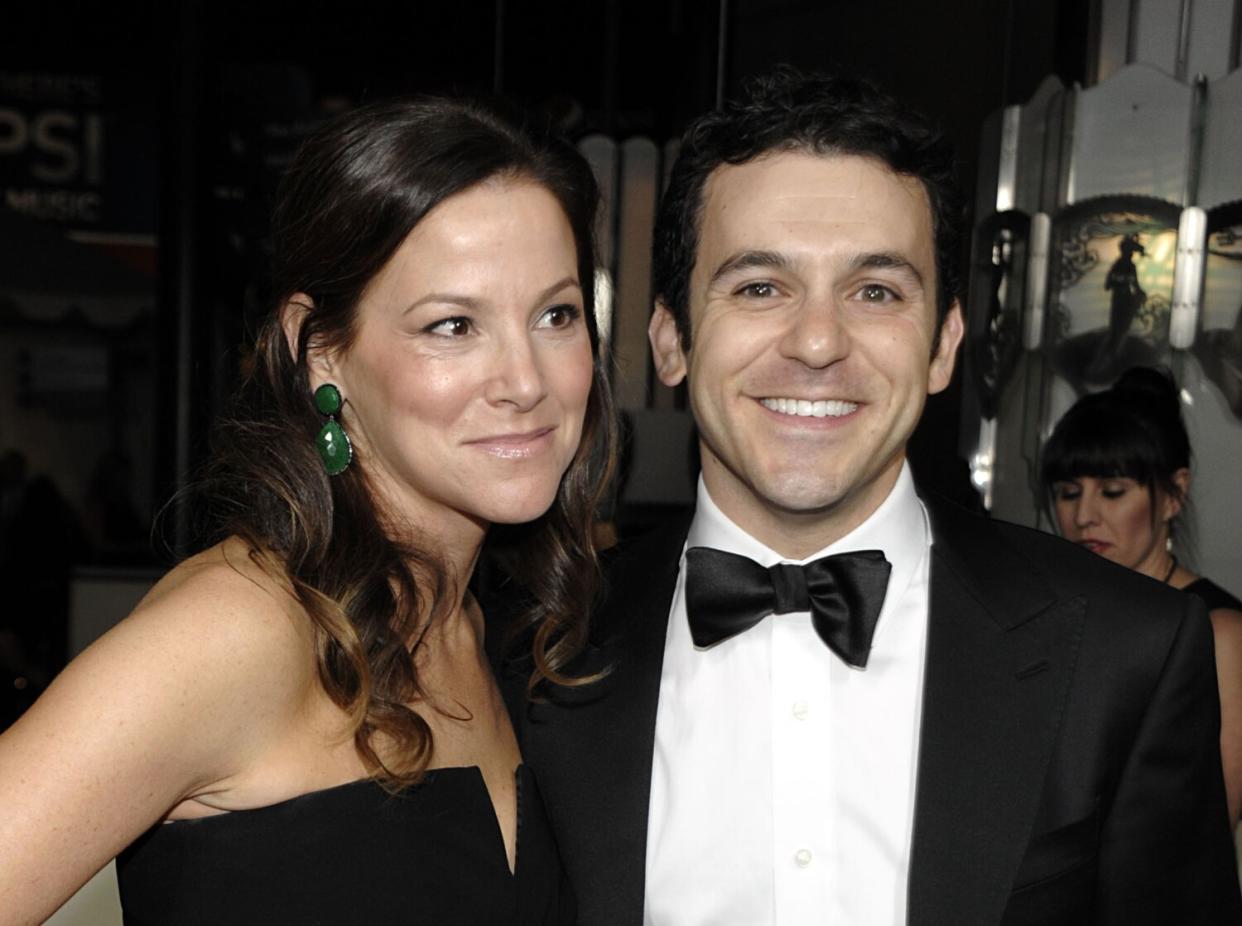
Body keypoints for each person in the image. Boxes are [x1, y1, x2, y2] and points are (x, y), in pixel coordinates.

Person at [500, 69, 1242, 925]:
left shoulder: (1128, 654)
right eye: (760, 287)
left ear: (944, 345)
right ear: (672, 339)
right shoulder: (531, 647)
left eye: (876, 291)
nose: (818, 341)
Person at [0, 96, 615, 925]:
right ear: (320, 351)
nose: (526, 379)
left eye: (556, 314)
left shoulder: (500, 635)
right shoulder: (238, 631)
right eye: (453, 325)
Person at [1042, 365, 1242, 828]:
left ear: (1174, 495)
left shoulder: (1218, 633)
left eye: (1112, 493)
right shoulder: (1060, 615)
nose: (1084, 515)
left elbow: (1209, 819)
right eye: (1068, 493)